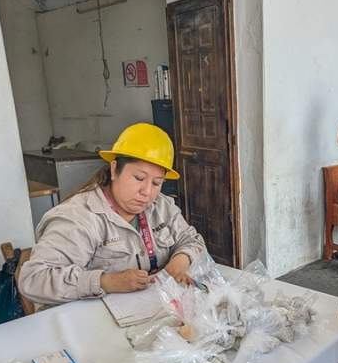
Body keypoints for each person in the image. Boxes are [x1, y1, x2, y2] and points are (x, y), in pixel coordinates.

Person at [19, 123, 207, 307]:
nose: (147, 192)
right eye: (139, 178)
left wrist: (180, 261)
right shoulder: (79, 217)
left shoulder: (162, 206)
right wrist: (105, 282)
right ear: (114, 169)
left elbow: (192, 240)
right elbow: (34, 280)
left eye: (157, 183)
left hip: (149, 310)